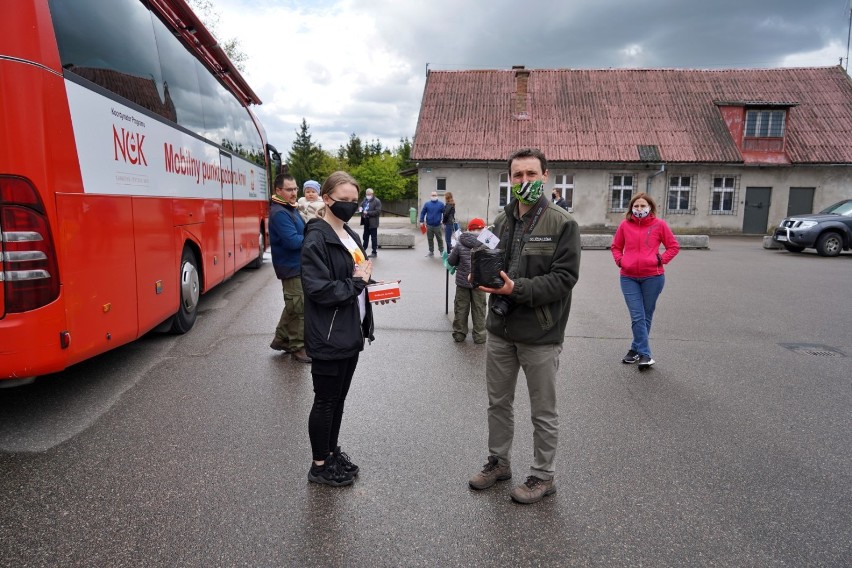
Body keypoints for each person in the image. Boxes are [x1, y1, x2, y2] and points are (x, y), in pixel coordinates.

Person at [468, 148, 581, 505]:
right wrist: (473, 271)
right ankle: (499, 462)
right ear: (510, 178)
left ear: (545, 176)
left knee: (543, 410)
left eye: (531, 175)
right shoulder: (500, 222)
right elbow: (487, 258)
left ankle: (543, 476)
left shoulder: (562, 223)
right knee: (497, 402)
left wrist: (517, 289)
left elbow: (564, 279)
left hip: (541, 333)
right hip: (500, 329)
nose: (524, 182)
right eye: (518, 175)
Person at [301, 171, 375, 487]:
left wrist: (375, 288)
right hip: (329, 334)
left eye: (353, 200)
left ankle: (330, 453)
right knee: (326, 400)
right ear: (327, 198)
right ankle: (319, 465)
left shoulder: (349, 234)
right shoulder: (317, 236)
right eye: (343, 200)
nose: (349, 205)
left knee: (339, 399)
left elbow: (358, 277)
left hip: (350, 330)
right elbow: (318, 289)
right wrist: (357, 282)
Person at [610, 192, 679, 370]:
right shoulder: (625, 225)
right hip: (628, 277)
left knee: (645, 316)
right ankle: (646, 354)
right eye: (636, 206)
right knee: (637, 315)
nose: (639, 209)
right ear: (631, 208)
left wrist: (660, 260)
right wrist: (620, 261)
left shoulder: (659, 225)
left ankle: (634, 350)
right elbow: (616, 247)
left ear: (650, 207)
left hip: (653, 277)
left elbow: (673, 246)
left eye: (643, 206)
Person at [269, 173, 310, 363]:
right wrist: (313, 239)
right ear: (278, 190)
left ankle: (281, 339)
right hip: (290, 267)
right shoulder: (279, 213)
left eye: (295, 189)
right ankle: (297, 347)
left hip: (297, 265)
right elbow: (293, 242)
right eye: (289, 189)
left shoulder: (290, 208)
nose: (294, 193)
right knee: (299, 307)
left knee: (293, 305)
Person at [447, 217, 487, 344]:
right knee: (479, 309)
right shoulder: (487, 243)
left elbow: (451, 261)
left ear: (468, 229)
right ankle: (480, 336)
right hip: (479, 283)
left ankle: (459, 334)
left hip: (462, 283)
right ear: (483, 229)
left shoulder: (459, 243)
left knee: (461, 308)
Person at [419, 191, 445, 256]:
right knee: (430, 239)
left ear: (437, 196)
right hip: (429, 225)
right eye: (432, 195)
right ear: (430, 196)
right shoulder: (427, 204)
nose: (434, 196)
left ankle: (441, 251)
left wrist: (443, 220)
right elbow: (423, 213)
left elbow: (445, 213)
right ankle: (431, 251)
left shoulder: (441, 204)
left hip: (437, 225)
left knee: (439, 239)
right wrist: (421, 221)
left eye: (435, 195)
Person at [359, 187, 382, 258]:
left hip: (373, 222)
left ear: (372, 194)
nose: (368, 195)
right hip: (366, 221)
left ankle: (374, 252)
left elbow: (378, 212)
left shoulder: (377, 201)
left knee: (373, 238)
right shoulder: (365, 200)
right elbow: (361, 205)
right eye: (367, 194)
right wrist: (360, 208)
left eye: (369, 194)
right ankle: (363, 251)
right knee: (365, 237)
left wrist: (368, 213)